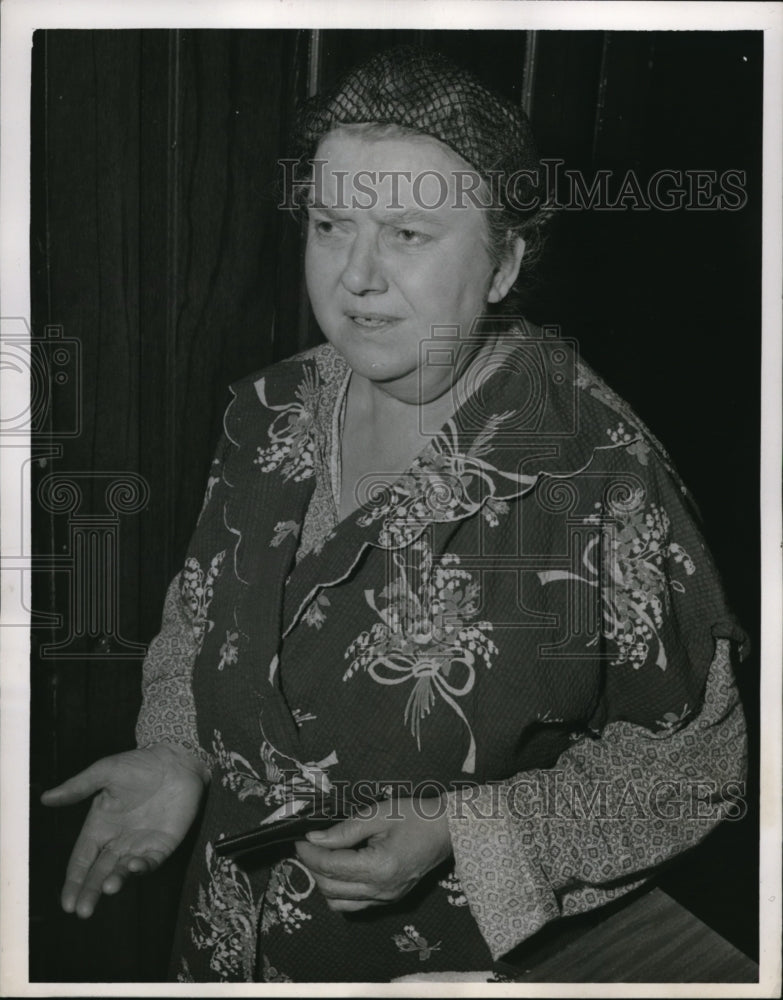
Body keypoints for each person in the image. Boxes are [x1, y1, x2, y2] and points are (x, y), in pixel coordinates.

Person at [41, 46, 749, 983]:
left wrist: (466, 828)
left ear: (503, 262)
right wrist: (177, 751)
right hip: (225, 935)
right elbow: (202, 612)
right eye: (330, 224)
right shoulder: (269, 409)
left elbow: (698, 763)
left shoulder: (595, 475)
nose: (356, 277)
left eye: (408, 234)